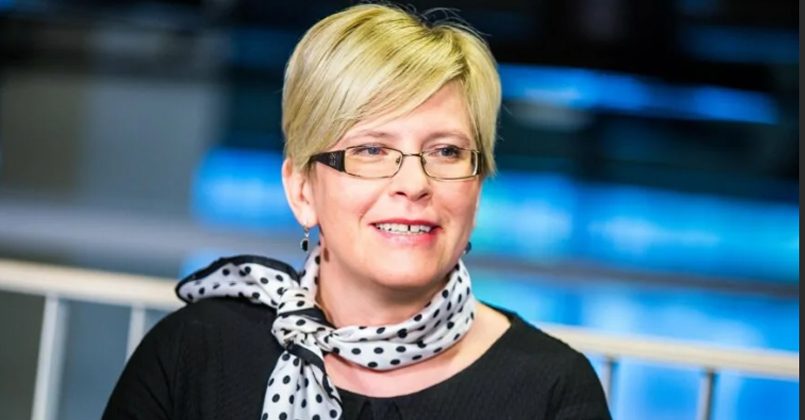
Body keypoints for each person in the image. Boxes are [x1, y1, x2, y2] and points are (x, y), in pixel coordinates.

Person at [103, 3, 611, 419]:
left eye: (446, 151)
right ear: (302, 188)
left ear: (476, 189)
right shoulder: (193, 352)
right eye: (371, 150)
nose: (414, 184)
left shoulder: (554, 390)